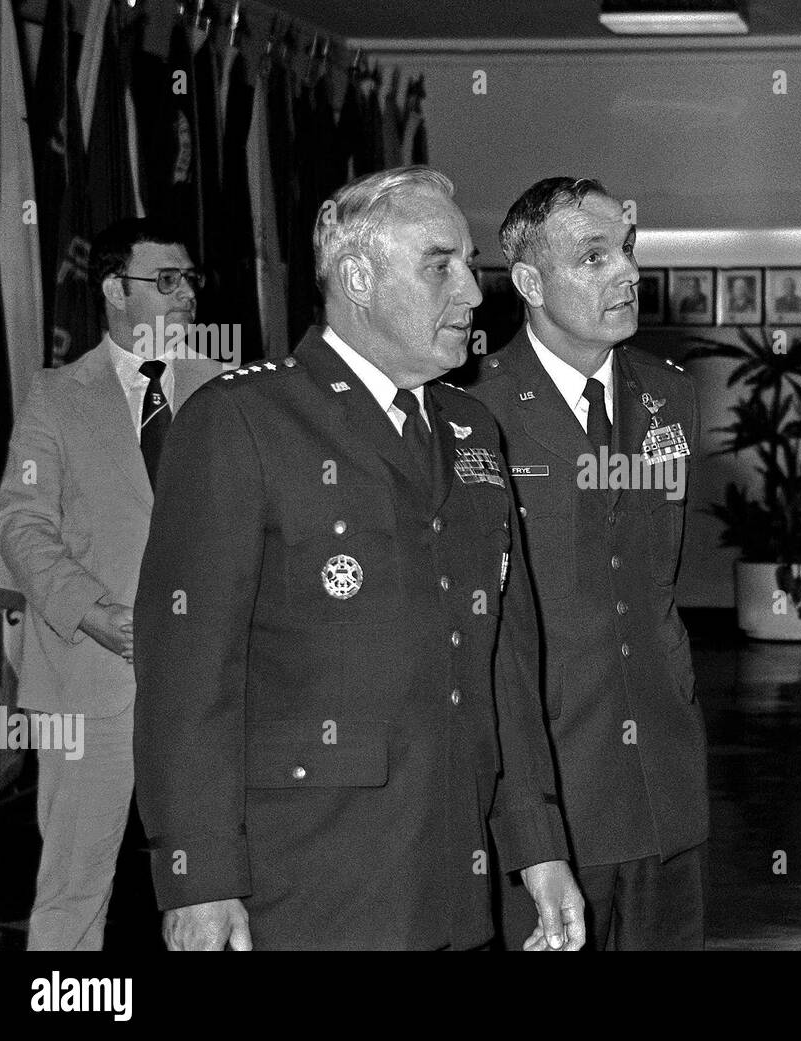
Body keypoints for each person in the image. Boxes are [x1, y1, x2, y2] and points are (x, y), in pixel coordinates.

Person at [131, 166, 584, 951]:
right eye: (439, 264)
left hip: (451, 869)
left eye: (469, 264)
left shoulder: (472, 429)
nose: (473, 294)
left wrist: (538, 842)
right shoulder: (244, 421)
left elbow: (503, 660)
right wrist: (198, 877)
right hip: (306, 883)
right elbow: (187, 674)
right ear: (358, 276)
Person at [470, 177, 708, 950]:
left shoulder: (669, 396)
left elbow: (657, 579)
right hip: (548, 780)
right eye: (594, 256)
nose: (628, 273)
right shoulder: (475, 408)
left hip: (665, 779)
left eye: (628, 250)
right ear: (531, 284)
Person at [0, 218, 225, 950]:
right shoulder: (56, 396)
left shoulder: (226, 389)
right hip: (90, 684)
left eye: (190, 279)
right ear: (113, 290)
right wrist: (95, 615)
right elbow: (22, 527)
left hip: (207, 685)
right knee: (74, 894)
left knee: (216, 887)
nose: (186, 295)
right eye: (167, 281)